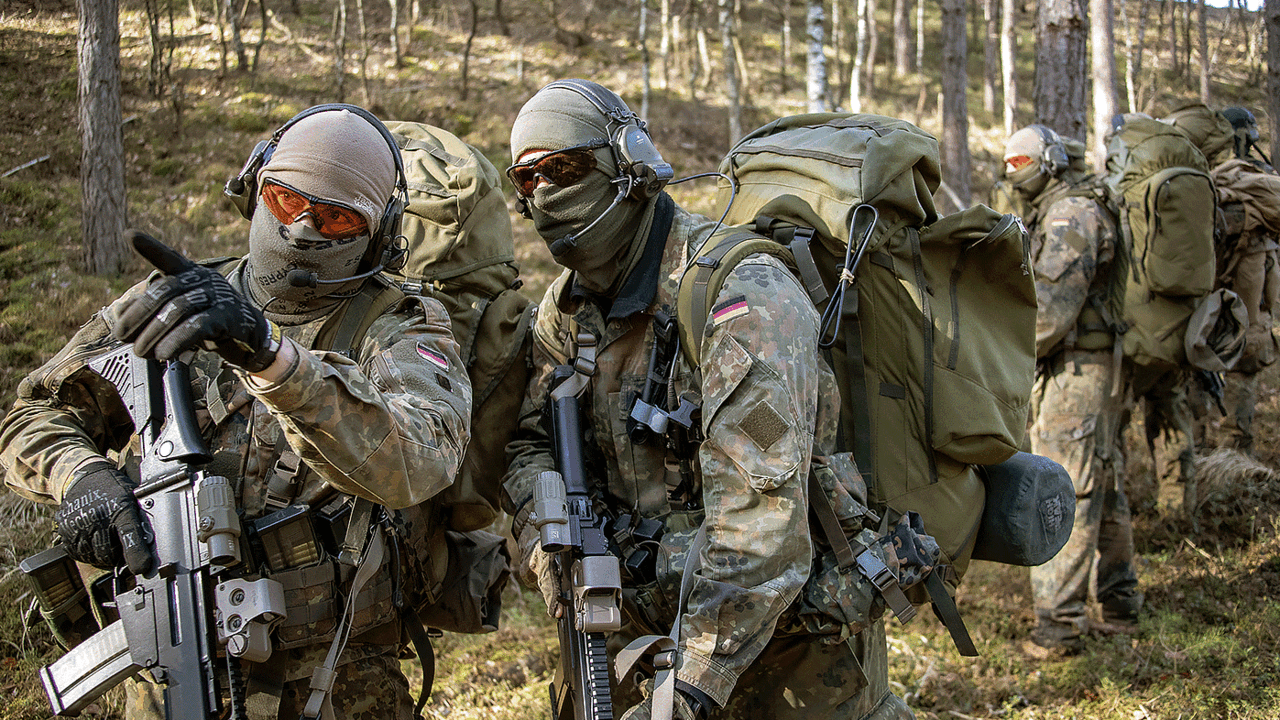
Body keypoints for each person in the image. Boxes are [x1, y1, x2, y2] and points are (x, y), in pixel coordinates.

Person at [0, 104, 472, 719]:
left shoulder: (401, 327)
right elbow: (33, 414)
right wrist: (79, 477)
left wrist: (275, 360)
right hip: (169, 661)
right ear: (252, 190)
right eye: (284, 200)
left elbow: (416, 461)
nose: (304, 230)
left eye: (336, 219)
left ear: (375, 237)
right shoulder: (177, 302)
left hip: (337, 680)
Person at [501, 79, 912, 720]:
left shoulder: (740, 295)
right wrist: (547, 531)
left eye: (564, 168)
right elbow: (528, 442)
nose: (545, 193)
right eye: (526, 181)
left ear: (629, 167)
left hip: (783, 657)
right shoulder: (565, 309)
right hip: (625, 637)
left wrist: (690, 689)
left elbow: (762, 525)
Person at [1002, 124, 1143, 653]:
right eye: (1009, 164)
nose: (1012, 173)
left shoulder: (1070, 216)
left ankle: (1059, 625)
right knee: (1103, 481)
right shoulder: (1068, 207)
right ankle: (1121, 604)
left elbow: (1047, 318)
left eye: (1020, 163)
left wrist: (993, 355)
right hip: (1090, 369)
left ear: (1052, 161)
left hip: (1079, 374)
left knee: (1068, 490)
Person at [1194, 107, 1280, 456]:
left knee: (1196, 368)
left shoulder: (1205, 182)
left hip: (1205, 297)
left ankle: (1194, 452)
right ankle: (1237, 453)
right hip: (1250, 301)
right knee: (1244, 370)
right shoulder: (1260, 186)